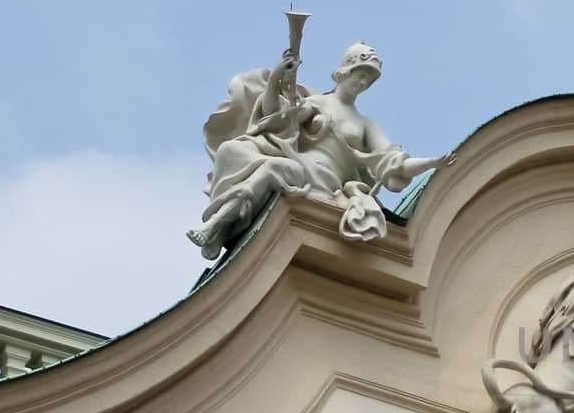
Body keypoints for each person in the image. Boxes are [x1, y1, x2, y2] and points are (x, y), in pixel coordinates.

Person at [188, 42, 449, 258]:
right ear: (343, 73)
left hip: (326, 180)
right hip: (301, 165)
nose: (363, 82)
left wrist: (431, 164)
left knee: (272, 168)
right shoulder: (318, 103)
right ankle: (215, 225)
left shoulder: (366, 125)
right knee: (260, 163)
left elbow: (394, 164)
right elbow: (275, 119)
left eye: (368, 79)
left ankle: (215, 226)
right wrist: (277, 77)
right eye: (360, 74)